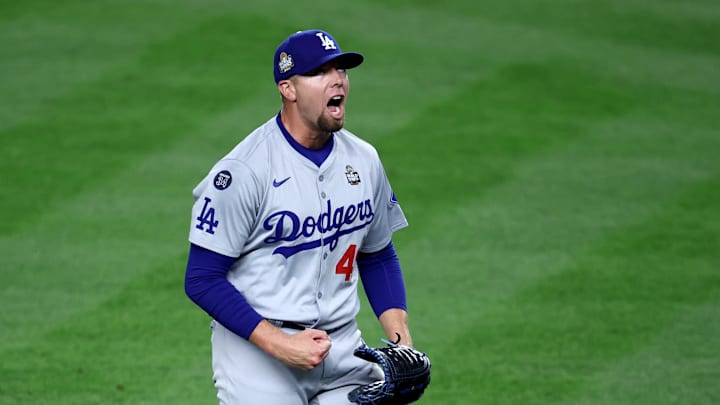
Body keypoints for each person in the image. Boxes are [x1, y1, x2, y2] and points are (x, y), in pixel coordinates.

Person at [185, 29, 415, 404]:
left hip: (344, 351)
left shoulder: (364, 159)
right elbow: (201, 278)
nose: (338, 78)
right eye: (320, 72)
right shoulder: (245, 171)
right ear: (288, 89)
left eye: (341, 68)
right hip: (258, 356)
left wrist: (402, 344)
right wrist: (281, 344)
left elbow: (377, 253)